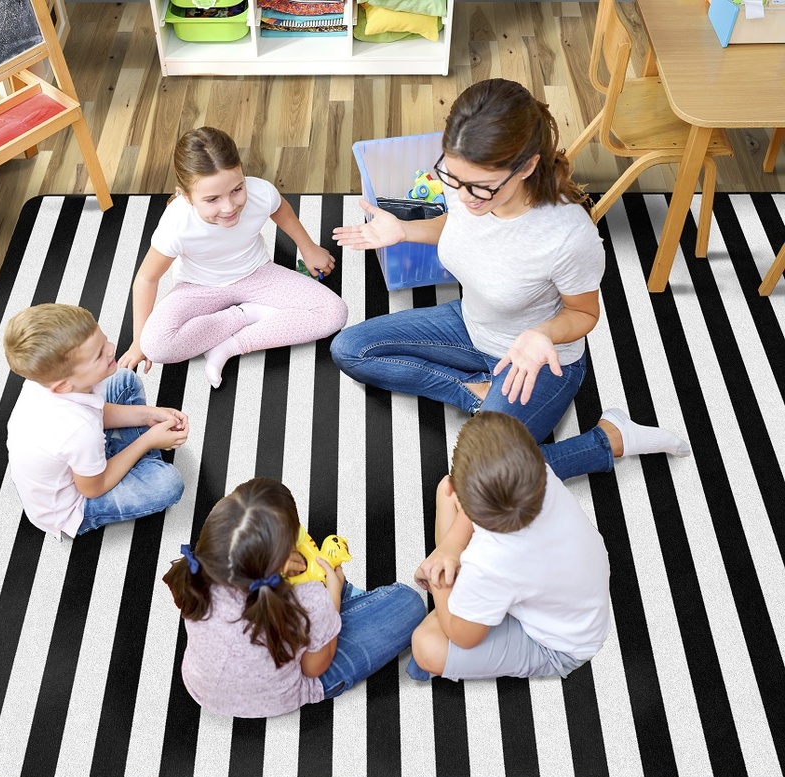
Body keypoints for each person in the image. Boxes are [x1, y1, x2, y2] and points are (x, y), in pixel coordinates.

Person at [330, 78, 690, 481]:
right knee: (351, 349)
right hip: (470, 324)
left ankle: (611, 438)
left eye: (480, 188)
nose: (464, 196)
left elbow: (584, 313)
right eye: (452, 177)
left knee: (482, 477)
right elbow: (460, 225)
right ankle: (474, 391)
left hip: (537, 360)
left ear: (528, 166)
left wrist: (543, 335)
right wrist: (405, 231)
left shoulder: (568, 235)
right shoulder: (467, 179)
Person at [163, 477, 426, 718]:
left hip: (202, 688)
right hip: (287, 691)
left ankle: (341, 606)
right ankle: (343, 600)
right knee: (408, 602)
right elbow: (314, 668)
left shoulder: (197, 577)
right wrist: (331, 597)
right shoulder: (309, 599)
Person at [118, 126, 349, 389]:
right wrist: (139, 340)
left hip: (258, 274)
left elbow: (281, 210)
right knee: (157, 346)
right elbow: (147, 279)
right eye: (212, 199)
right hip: (198, 287)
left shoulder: (261, 192)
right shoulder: (176, 225)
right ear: (185, 195)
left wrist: (309, 249)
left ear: (242, 174)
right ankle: (244, 315)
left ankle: (229, 345)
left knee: (334, 313)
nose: (229, 207)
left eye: (237, 190)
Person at [407, 412, 610, 682]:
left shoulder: (490, 562)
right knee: (449, 491)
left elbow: (463, 637)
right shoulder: (538, 474)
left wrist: (438, 581)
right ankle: (473, 597)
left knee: (426, 645)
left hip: (560, 645)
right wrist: (451, 546)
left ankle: (462, 594)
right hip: (575, 601)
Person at [3, 303, 188, 540]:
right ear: (63, 386)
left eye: (104, 341)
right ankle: (138, 459)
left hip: (79, 453)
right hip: (77, 504)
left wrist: (147, 414)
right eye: (99, 355)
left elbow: (95, 412)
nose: (112, 349)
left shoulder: (45, 384)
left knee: (124, 379)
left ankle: (127, 458)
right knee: (167, 484)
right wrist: (148, 441)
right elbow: (94, 488)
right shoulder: (78, 431)